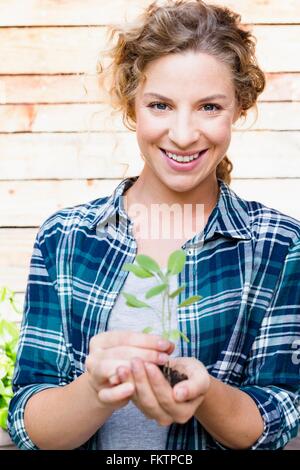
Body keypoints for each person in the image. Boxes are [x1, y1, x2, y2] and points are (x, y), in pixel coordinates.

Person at [8, 0, 300, 450]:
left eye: (209, 107)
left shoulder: (279, 247)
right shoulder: (65, 238)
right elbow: (31, 420)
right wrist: (94, 391)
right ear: (131, 105)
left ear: (239, 107)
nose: (183, 135)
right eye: (160, 105)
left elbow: (279, 413)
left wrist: (205, 395)